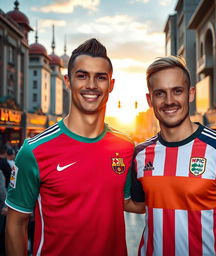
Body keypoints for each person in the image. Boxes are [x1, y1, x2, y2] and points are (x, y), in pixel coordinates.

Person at [5, 38, 135, 256]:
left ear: (111, 85)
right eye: (82, 76)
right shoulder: (33, 151)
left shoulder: (126, 147)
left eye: (100, 77)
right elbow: (15, 224)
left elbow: (133, 203)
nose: (91, 85)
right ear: (68, 82)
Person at [125, 56, 216, 255]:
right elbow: (137, 204)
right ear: (149, 99)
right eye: (160, 93)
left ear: (190, 94)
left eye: (177, 91)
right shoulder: (140, 154)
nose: (169, 101)